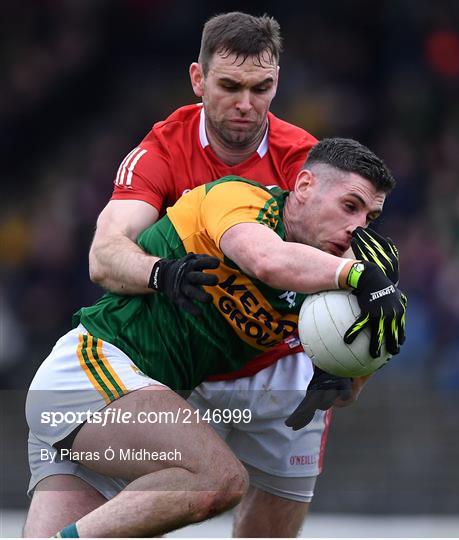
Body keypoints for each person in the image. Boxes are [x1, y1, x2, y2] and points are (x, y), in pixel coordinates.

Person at [24, 138, 407, 537]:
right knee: (218, 479)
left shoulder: (329, 279)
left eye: (370, 217)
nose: (357, 228)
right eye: (350, 206)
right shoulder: (239, 198)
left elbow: (348, 390)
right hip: (90, 371)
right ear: (306, 186)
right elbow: (267, 260)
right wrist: (361, 276)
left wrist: (352, 365)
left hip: (123, 410)